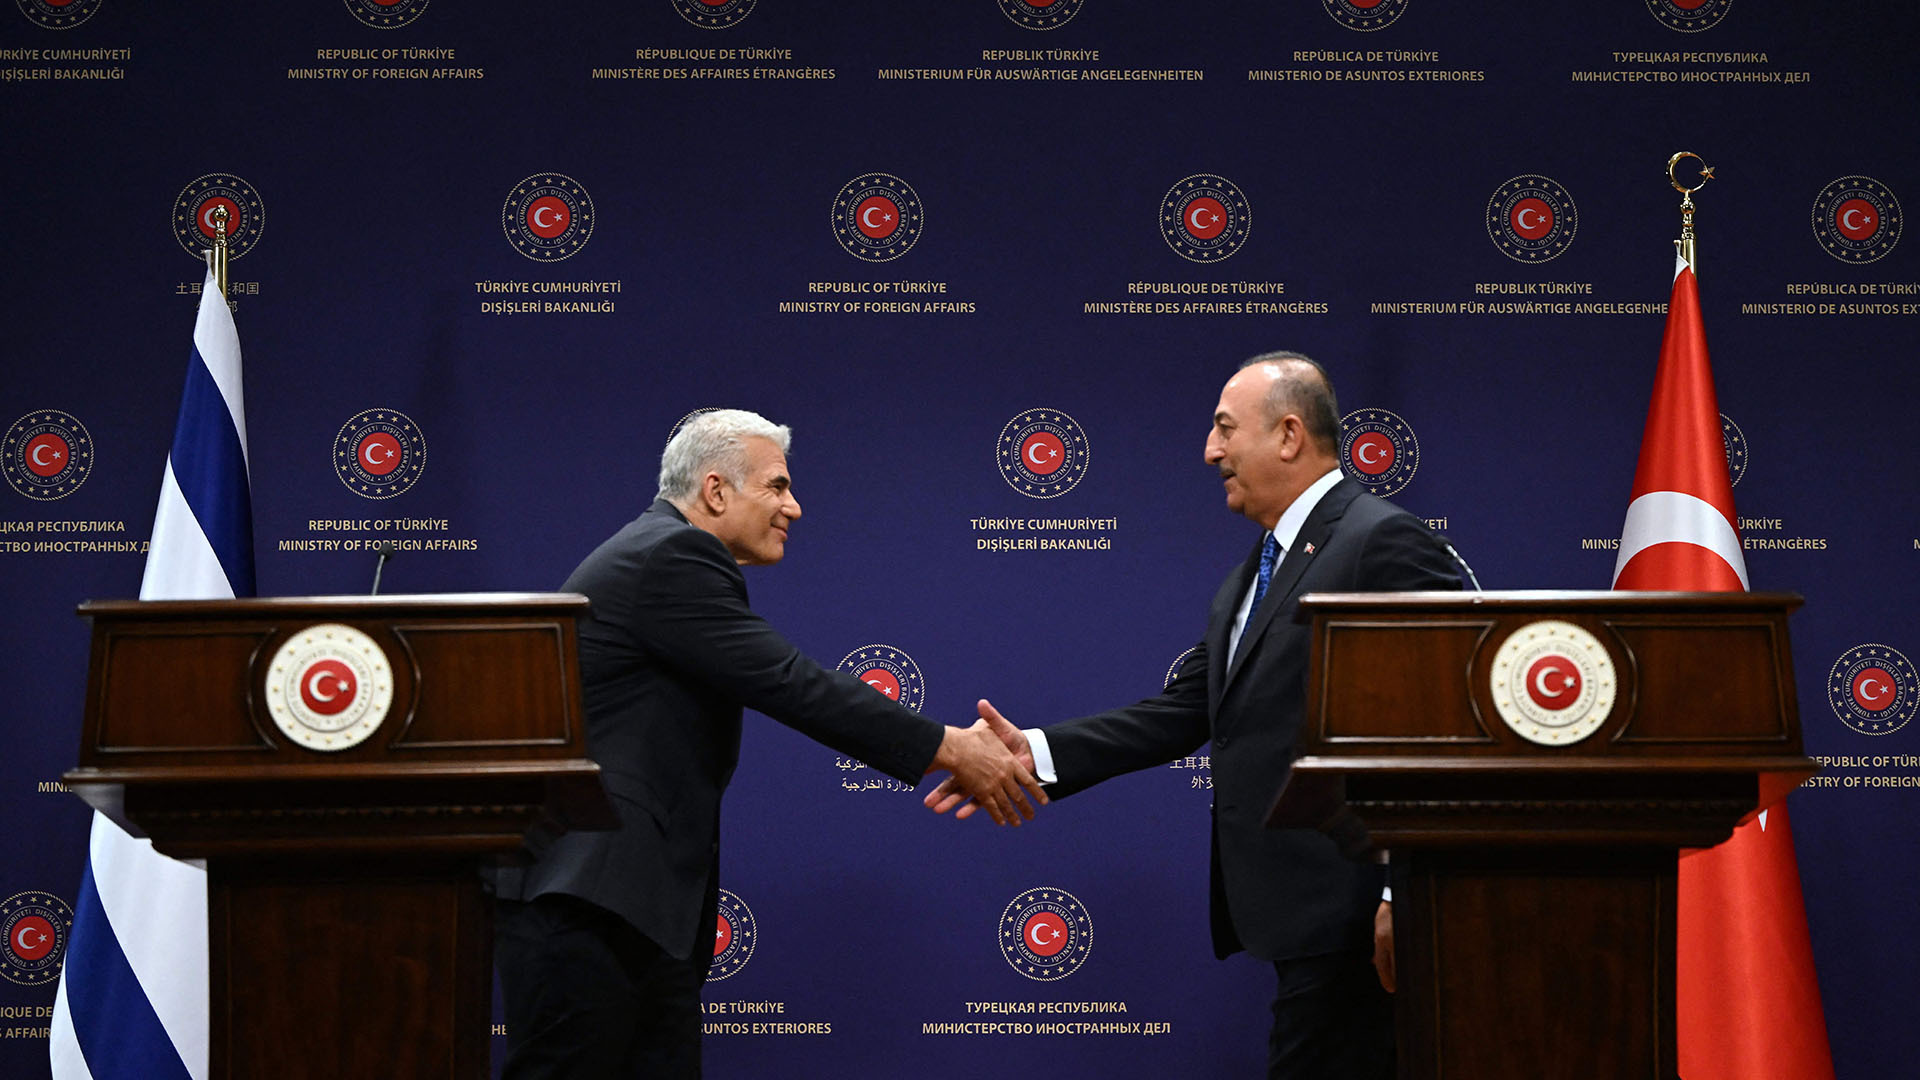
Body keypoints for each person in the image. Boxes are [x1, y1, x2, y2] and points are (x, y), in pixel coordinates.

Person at [930, 352, 1461, 1079]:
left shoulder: (1382, 542)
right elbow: (1187, 711)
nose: (1210, 451)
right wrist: (1037, 756)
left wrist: (1408, 888)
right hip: (1300, 922)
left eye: (1223, 429)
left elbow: (1444, 724)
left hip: (1357, 916)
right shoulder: (1256, 570)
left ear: (1287, 434)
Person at [494, 408, 1045, 1078]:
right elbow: (790, 682)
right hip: (590, 905)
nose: (795, 507)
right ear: (717, 491)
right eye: (777, 487)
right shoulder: (672, 554)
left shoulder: (660, 553)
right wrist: (951, 747)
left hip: (625, 913)